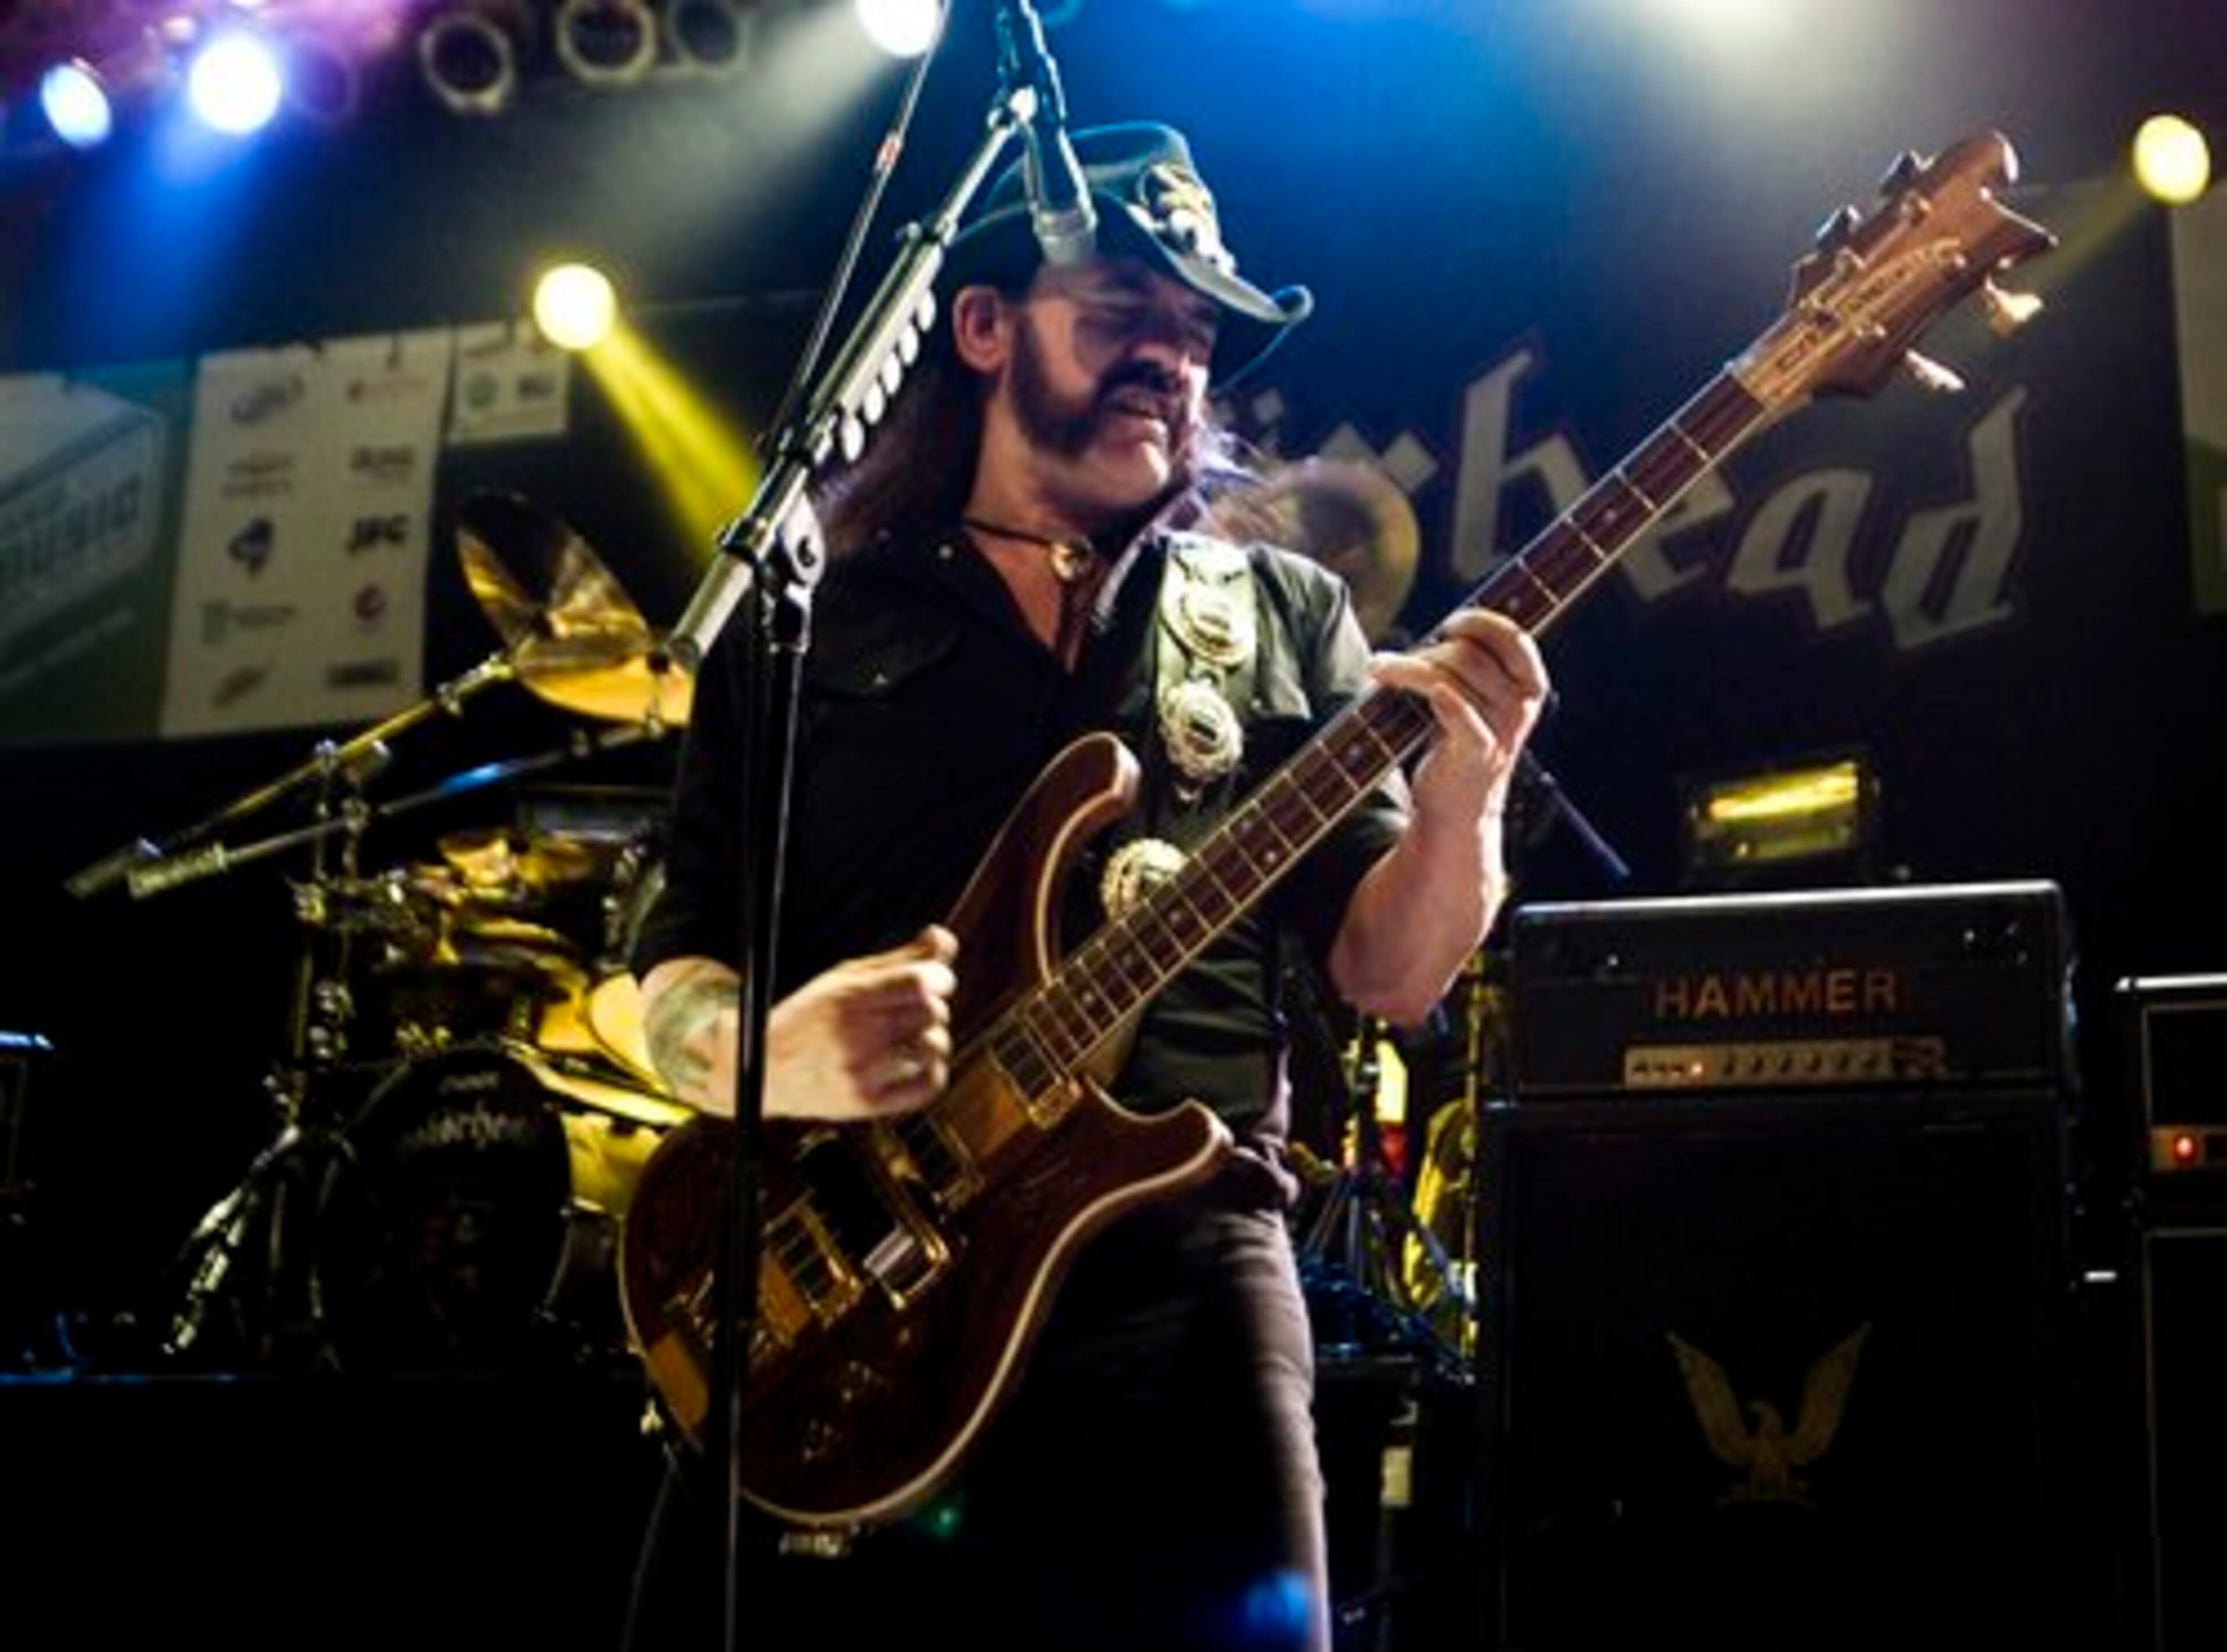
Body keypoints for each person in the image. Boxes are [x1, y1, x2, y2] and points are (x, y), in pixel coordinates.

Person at [620, 122, 1548, 1652]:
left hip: (1183, 1289)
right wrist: (771, 1049)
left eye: (1194, 335)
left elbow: (1393, 969)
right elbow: (670, 969)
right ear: (981, 326)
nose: (1171, 358)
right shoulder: (807, 616)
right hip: (857, 1298)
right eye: (1123, 307)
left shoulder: (1276, 614)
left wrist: (1471, 794)